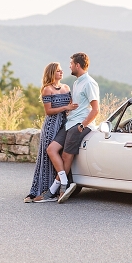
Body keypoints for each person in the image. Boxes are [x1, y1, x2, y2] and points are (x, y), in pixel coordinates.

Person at [39, 52, 99, 203]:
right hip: (69, 123)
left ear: (78, 65)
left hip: (79, 125)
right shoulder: (77, 82)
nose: (69, 66)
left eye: (71, 64)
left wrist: (83, 125)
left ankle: (55, 190)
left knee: (66, 156)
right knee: (51, 149)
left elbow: (96, 109)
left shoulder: (89, 83)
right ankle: (63, 183)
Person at [25, 63, 78, 202]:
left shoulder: (66, 87)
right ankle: (46, 189)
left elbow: (72, 106)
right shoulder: (47, 89)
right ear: (52, 73)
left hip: (65, 124)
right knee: (48, 156)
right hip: (51, 126)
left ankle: (58, 187)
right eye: (58, 71)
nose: (61, 72)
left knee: (61, 154)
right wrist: (66, 107)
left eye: (61, 70)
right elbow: (48, 111)